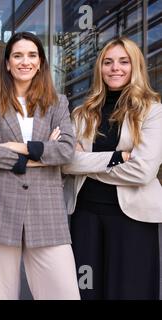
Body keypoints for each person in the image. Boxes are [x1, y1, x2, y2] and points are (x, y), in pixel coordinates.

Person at [0, 32, 80, 300]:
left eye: (32, 55)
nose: (25, 61)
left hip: (47, 208)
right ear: (8, 63)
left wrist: (17, 147)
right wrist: (43, 151)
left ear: (41, 62)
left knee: (64, 292)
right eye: (18, 55)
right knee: (0, 294)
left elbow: (66, 150)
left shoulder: (58, 102)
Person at [62, 37, 162, 300]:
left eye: (123, 61)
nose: (114, 68)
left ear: (135, 66)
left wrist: (86, 163)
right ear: (100, 68)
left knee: (129, 292)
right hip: (85, 217)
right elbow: (66, 162)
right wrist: (118, 158)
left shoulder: (153, 111)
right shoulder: (82, 113)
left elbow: (143, 171)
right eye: (108, 62)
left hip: (132, 220)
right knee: (86, 293)